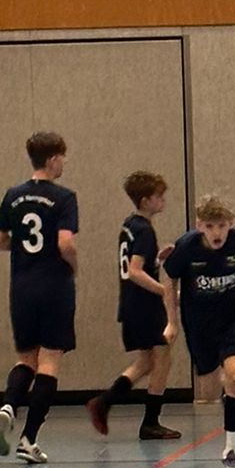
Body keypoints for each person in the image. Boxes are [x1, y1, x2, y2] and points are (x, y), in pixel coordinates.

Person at [162, 195, 235, 468]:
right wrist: (171, 322)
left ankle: (230, 451)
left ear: (231, 224)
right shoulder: (187, 247)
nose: (217, 233)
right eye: (210, 226)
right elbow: (168, 277)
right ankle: (230, 396)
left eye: (222, 226)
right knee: (209, 393)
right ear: (199, 225)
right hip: (199, 324)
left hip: (233, 319)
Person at [0, 131, 77, 465]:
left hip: (21, 286)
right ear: (53, 159)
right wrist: (73, 264)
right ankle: (29, 438)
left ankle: (9, 405)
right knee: (50, 360)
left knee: (26, 357)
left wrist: (24, 247)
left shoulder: (13, 195)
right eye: (62, 157)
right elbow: (66, 243)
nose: (64, 163)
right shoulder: (64, 197)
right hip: (54, 286)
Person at [85, 171, 182, 443]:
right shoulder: (144, 230)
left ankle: (104, 402)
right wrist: (166, 292)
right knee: (162, 358)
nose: (163, 200)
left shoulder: (129, 225)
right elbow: (135, 271)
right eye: (158, 196)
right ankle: (150, 422)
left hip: (131, 304)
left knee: (146, 361)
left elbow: (136, 262)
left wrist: (157, 259)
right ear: (145, 200)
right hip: (144, 306)